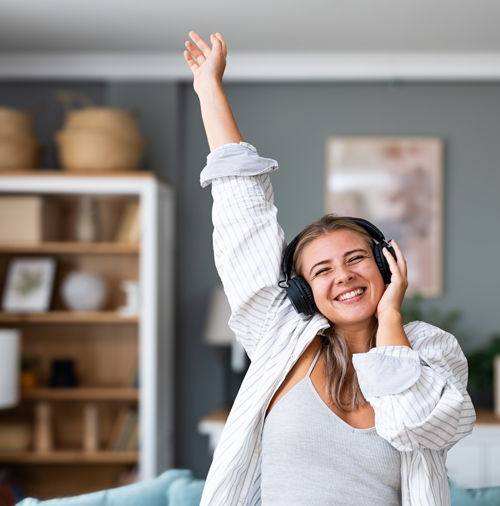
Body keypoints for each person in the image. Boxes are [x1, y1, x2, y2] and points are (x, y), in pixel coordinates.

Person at [184, 31, 475, 506]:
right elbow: (244, 216)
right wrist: (208, 88)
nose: (342, 275)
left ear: (386, 265)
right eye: (321, 270)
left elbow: (418, 425)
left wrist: (391, 320)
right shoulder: (280, 335)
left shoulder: (433, 351)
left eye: (357, 258)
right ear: (305, 291)